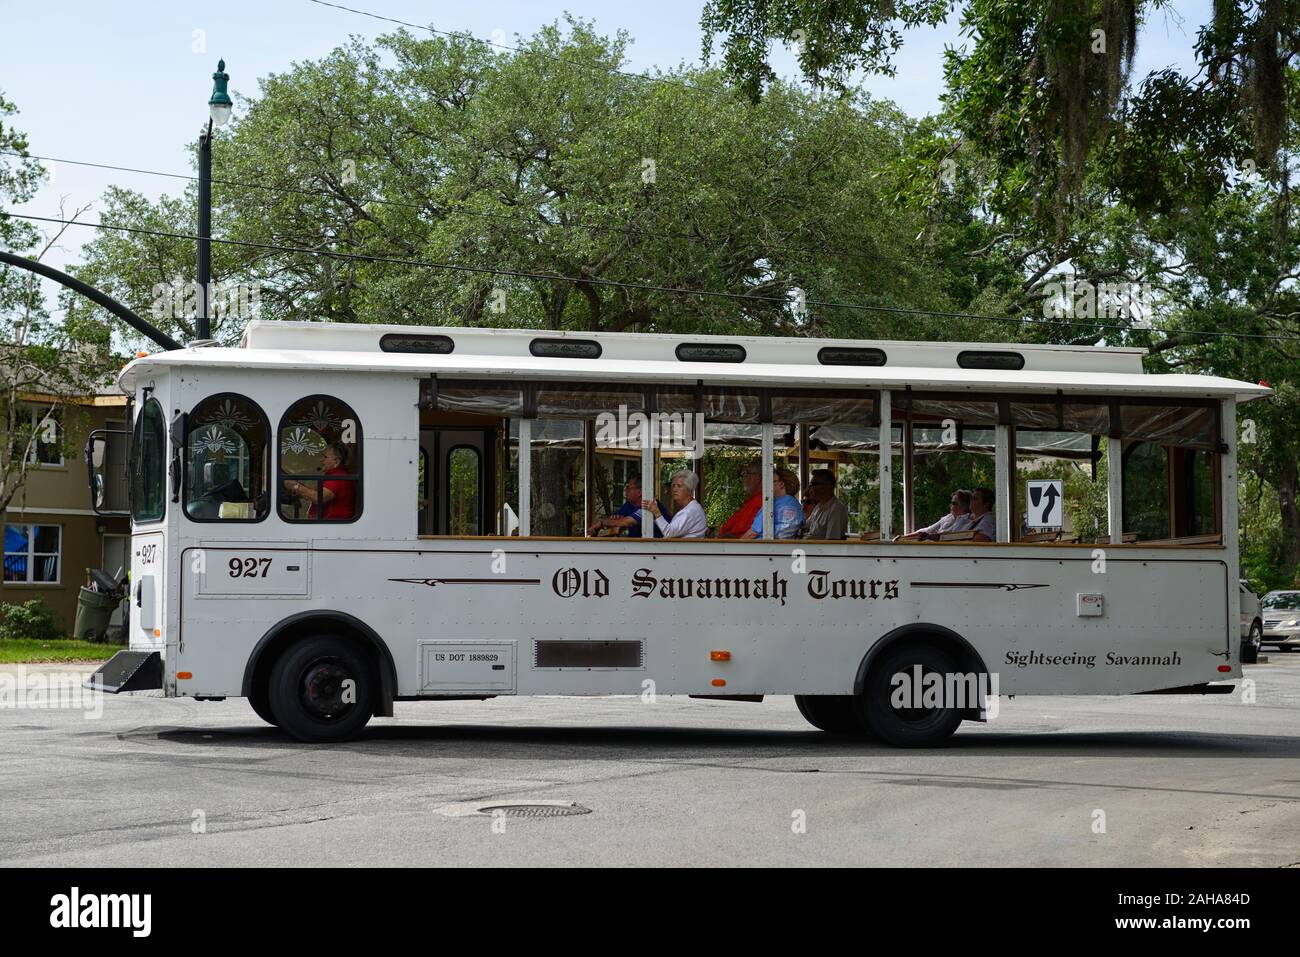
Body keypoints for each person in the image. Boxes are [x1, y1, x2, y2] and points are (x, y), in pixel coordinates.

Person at [284, 442, 355, 520]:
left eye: (325, 457)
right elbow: (312, 492)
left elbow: (319, 497)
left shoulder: (337, 477)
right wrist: (297, 490)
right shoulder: (333, 475)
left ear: (336, 461)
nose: (321, 460)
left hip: (332, 525)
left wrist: (295, 486)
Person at [587, 476, 668, 538]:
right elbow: (615, 520)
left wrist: (601, 523)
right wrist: (613, 521)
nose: (625, 491)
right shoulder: (629, 504)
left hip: (657, 551)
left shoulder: (650, 505)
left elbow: (626, 522)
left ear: (639, 492)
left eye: (628, 488)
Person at [742, 467, 804, 540]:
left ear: (781, 484)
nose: (766, 485)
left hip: (763, 548)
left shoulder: (772, 504)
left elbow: (752, 533)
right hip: (785, 548)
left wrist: (737, 545)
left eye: (771, 481)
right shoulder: (796, 505)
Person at [643, 469, 707, 538]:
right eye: (673, 486)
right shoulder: (690, 508)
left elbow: (669, 533)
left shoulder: (690, 511)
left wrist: (656, 512)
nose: (674, 489)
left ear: (689, 490)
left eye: (679, 486)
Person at [904, 489, 972, 541]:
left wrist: (929, 536)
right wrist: (904, 537)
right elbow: (928, 530)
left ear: (963, 506)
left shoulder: (968, 520)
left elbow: (949, 536)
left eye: (953, 503)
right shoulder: (948, 517)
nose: (950, 505)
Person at [716, 461, 762, 537]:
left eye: (748, 473)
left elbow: (740, 531)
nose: (745, 477)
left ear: (759, 477)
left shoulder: (760, 501)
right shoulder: (752, 500)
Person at [803, 469, 849, 540]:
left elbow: (832, 542)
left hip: (819, 550)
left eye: (813, 484)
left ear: (825, 486)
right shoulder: (818, 506)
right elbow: (804, 526)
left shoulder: (836, 509)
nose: (810, 488)